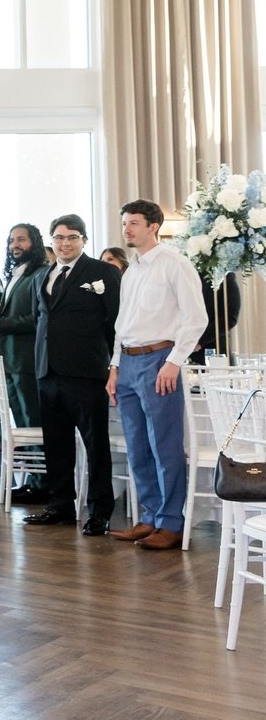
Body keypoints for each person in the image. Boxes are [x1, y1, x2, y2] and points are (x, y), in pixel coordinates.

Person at [105, 200, 208, 550]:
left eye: (134, 222)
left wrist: (174, 361)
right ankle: (149, 518)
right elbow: (123, 325)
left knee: (164, 443)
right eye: (124, 223)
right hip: (129, 363)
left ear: (154, 226)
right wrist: (115, 367)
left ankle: (171, 522)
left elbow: (197, 319)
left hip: (160, 359)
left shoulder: (175, 264)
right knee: (137, 446)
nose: (127, 229)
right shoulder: (130, 271)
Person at [23, 213, 121, 536]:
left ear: (84, 240)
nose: (65, 243)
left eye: (72, 237)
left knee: (95, 445)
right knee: (57, 444)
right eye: (59, 238)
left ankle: (99, 511)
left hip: (86, 372)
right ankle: (60, 505)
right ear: (52, 241)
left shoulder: (102, 272)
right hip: (48, 372)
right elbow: (41, 322)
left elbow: (114, 323)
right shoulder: (43, 276)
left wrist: (112, 365)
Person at [0, 223, 48, 502]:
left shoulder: (40, 274)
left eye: (21, 240)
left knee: (33, 422)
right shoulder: (15, 275)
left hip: (28, 361)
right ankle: (32, 479)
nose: (14, 245)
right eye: (11, 241)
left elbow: (37, 318)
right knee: (22, 424)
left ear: (34, 242)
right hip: (10, 359)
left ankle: (43, 484)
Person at [190, 272, 240, 365]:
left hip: (213, 350)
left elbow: (230, 317)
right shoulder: (181, 274)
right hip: (178, 350)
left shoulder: (224, 276)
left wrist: (199, 339)